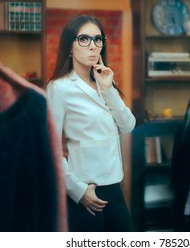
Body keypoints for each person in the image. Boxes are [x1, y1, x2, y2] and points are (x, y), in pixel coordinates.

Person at [45, 15, 136, 231]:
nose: (92, 46)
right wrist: (77, 191)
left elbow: (128, 125)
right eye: (84, 39)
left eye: (97, 39)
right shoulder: (59, 88)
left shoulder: (104, 81)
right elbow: (49, 147)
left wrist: (108, 89)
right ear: (70, 46)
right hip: (86, 192)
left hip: (114, 187)